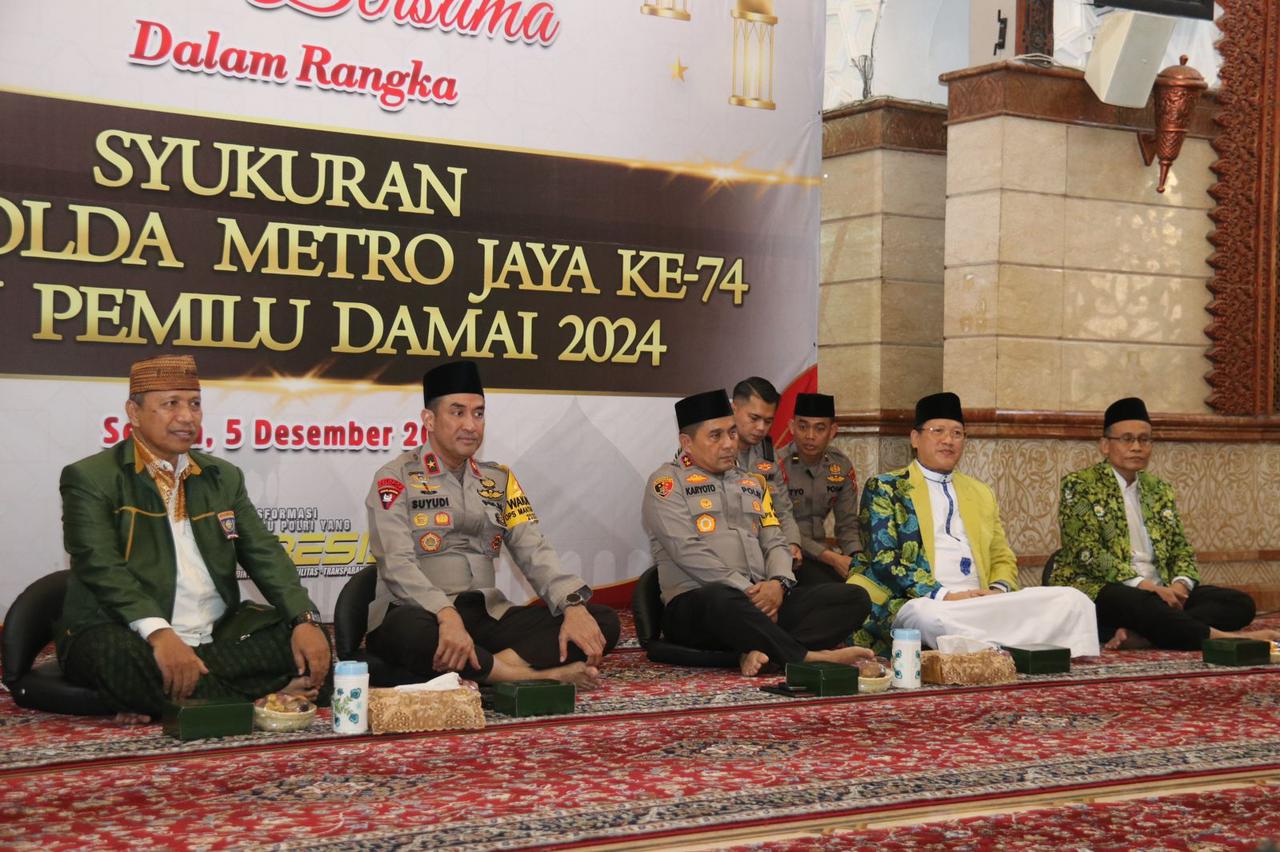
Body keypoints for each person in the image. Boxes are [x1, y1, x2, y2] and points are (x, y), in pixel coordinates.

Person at [58, 355, 330, 723]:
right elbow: (101, 567)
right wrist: (160, 634)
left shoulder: (222, 477)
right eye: (171, 404)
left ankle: (173, 696)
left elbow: (264, 552)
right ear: (134, 413)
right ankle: (263, 699)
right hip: (126, 631)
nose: (187, 417)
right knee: (116, 658)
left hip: (216, 635)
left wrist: (304, 618)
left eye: (195, 404)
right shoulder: (91, 478)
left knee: (311, 645)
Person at [365, 360, 619, 689]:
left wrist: (572, 605)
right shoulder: (395, 476)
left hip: (484, 614)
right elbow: (396, 563)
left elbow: (533, 548)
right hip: (420, 612)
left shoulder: (498, 480)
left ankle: (484, 669)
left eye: (479, 413)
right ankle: (531, 676)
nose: (470, 425)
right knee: (412, 633)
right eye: (457, 412)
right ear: (429, 420)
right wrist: (445, 612)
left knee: (600, 621)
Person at [643, 388, 873, 676]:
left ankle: (758, 651)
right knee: (721, 599)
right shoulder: (666, 484)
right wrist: (748, 593)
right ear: (687, 443)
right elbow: (686, 551)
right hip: (701, 603)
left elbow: (775, 539)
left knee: (854, 598)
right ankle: (804, 656)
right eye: (715, 436)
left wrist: (778, 584)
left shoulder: (751, 482)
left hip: (760, 602)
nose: (729, 444)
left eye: (732, 433)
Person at [852, 392, 1099, 657]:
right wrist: (945, 595)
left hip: (980, 602)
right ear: (915, 438)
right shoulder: (886, 487)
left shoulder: (980, 492)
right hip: (925, 600)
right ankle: (1001, 648)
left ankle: (983, 648)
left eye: (957, 433)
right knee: (929, 618)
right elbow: (884, 559)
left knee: (1073, 600)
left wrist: (997, 590)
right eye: (938, 431)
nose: (948, 440)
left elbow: (1001, 555)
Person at [1052, 396, 1276, 650]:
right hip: (1103, 587)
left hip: (1159, 588)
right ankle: (1225, 638)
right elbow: (1087, 551)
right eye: (1127, 439)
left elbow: (1180, 547)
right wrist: (1145, 586)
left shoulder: (1158, 489)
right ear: (1105, 445)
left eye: (1144, 440)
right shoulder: (1080, 485)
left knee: (1239, 603)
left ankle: (1144, 635)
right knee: (1142, 604)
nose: (1137, 447)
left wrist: (1180, 584)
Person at [778, 392, 860, 585]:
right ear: (791, 427)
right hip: (787, 554)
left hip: (823, 557)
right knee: (834, 590)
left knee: (862, 587)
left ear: (832, 431)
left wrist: (856, 558)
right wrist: (833, 559)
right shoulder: (777, 465)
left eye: (819, 428)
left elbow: (847, 525)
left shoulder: (840, 466)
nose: (810, 436)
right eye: (803, 426)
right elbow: (780, 525)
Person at [731, 377, 803, 562]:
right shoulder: (712, 451)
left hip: (767, 551)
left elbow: (782, 509)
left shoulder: (768, 454)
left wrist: (792, 543)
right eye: (754, 418)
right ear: (734, 409)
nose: (761, 428)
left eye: (768, 421)